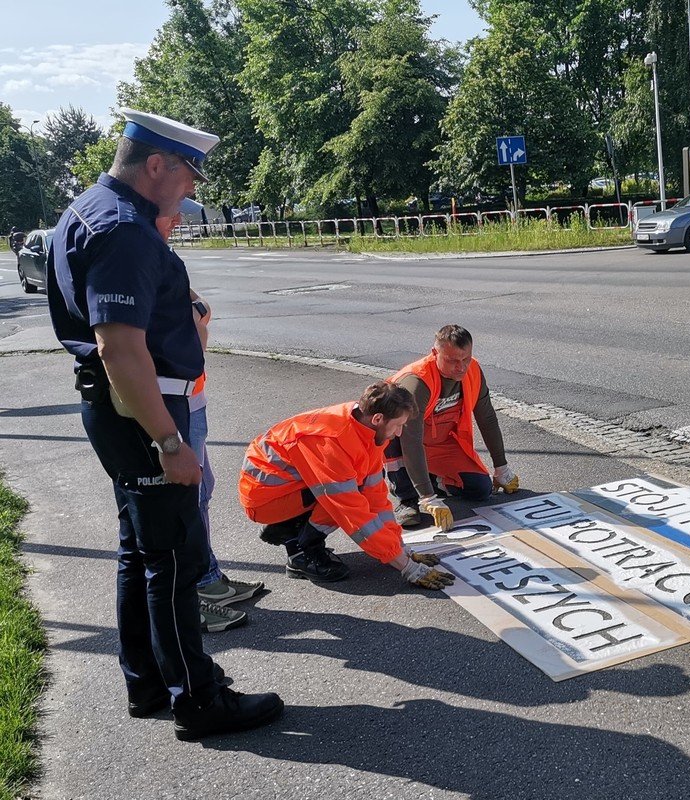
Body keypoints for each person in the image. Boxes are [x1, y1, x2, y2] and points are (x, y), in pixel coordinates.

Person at [45, 107, 282, 740]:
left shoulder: (89, 209)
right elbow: (121, 348)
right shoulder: (123, 228)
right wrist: (170, 441)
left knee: (143, 554)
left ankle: (149, 683)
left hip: (121, 410)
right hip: (143, 414)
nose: (194, 189)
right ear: (157, 165)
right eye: (189, 174)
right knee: (172, 563)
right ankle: (198, 699)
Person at [153, 211, 263, 633]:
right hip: (173, 400)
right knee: (185, 498)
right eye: (171, 214)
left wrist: (195, 311)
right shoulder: (141, 257)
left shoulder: (161, 257)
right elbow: (192, 316)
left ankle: (208, 577)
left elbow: (201, 310)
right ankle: (196, 590)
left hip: (190, 395)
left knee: (202, 491)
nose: (179, 217)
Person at [239, 380, 454, 590]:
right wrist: (407, 567)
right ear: (378, 418)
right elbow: (354, 513)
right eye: (397, 425)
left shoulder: (368, 430)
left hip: (289, 488)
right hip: (266, 499)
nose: (399, 433)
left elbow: (376, 497)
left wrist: (400, 548)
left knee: (356, 489)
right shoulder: (332, 441)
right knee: (346, 496)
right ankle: (301, 551)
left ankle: (290, 531)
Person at [384, 325, 519, 532]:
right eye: (453, 361)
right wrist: (428, 498)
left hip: (440, 443)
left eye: (465, 359)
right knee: (393, 434)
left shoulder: (473, 370)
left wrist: (501, 468)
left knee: (480, 488)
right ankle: (408, 498)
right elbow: (410, 441)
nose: (461, 367)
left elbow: (487, 417)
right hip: (404, 441)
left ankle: (430, 480)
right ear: (435, 353)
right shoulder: (416, 383)